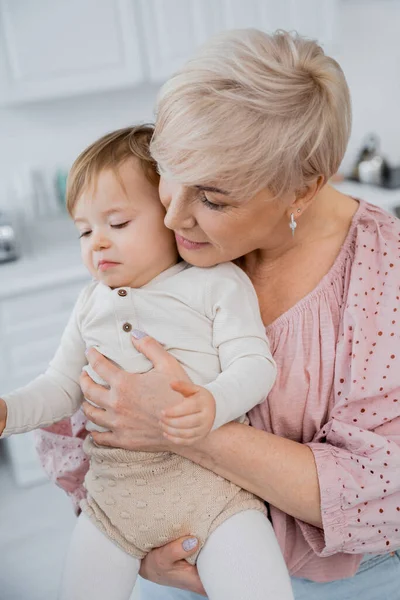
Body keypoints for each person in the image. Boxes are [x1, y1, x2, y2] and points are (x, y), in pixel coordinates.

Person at [36, 29, 400, 599]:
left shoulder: (383, 275)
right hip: (172, 562)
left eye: (213, 198)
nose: (173, 216)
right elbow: (85, 402)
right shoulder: (164, 237)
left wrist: (179, 425)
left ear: (301, 190)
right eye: (168, 173)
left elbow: (383, 489)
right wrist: (130, 539)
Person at [0, 125, 294, 600]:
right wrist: (8, 412)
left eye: (117, 224)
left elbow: (255, 365)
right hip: (116, 501)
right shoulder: (88, 304)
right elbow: (60, 387)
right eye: (84, 230)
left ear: (172, 215)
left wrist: (212, 402)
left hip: (217, 494)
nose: (97, 242)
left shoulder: (216, 283)